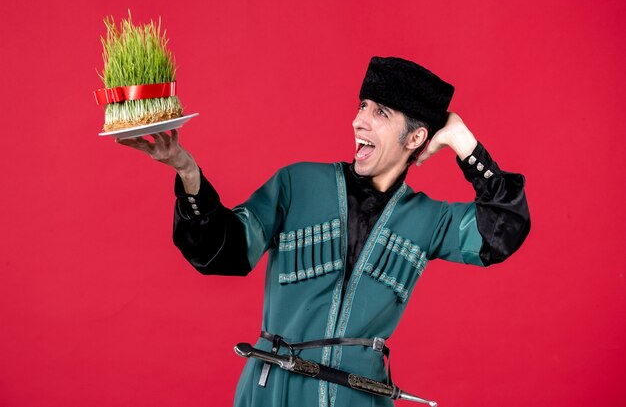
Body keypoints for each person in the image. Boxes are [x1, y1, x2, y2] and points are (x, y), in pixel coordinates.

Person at [118, 57, 530, 407]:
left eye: (380, 113)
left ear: (417, 137)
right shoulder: (297, 185)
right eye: (362, 105)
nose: (358, 121)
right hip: (272, 392)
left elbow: (503, 232)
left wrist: (463, 141)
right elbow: (222, 252)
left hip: (360, 398)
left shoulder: (429, 220)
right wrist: (187, 170)